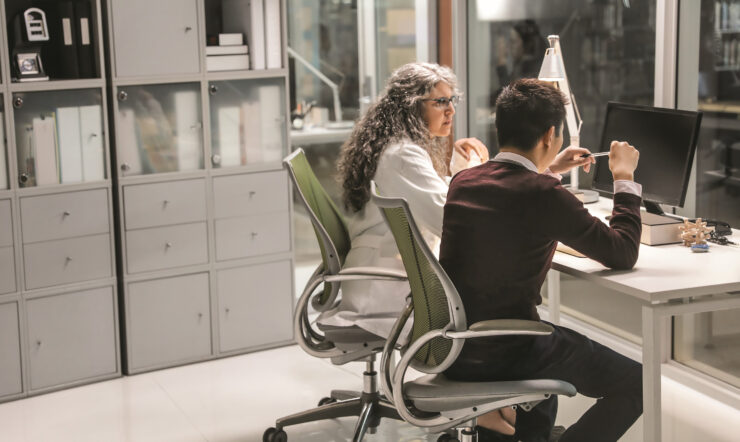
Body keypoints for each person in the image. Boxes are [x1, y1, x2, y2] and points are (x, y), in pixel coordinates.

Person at [440, 78, 643, 442]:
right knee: (637, 384)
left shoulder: (464, 181)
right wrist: (624, 179)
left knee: (551, 348)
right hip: (507, 349)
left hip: (452, 344)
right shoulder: (542, 194)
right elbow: (623, 252)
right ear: (551, 134)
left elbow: (512, 199)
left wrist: (548, 169)